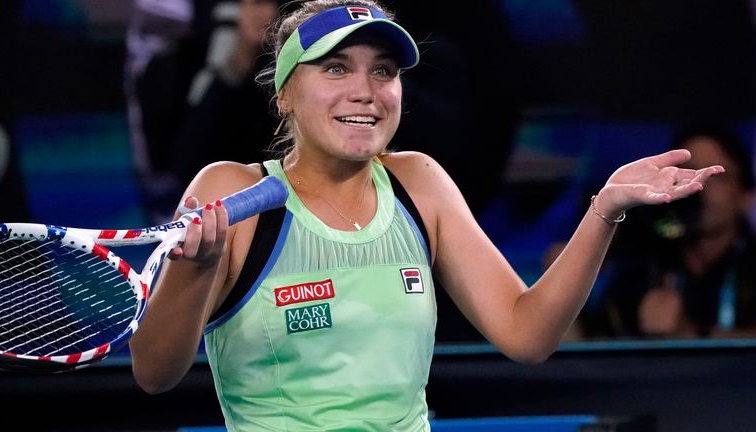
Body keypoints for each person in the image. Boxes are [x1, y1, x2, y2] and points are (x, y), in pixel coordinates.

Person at [128, 1, 724, 429]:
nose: (366, 90)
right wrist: (195, 269)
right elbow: (154, 373)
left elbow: (528, 333)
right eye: (336, 68)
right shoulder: (230, 190)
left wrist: (605, 210)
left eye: (383, 71)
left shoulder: (420, 183)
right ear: (284, 93)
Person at [578, 124, 756, 339]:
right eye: (686, 173)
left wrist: (688, 333)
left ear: (747, 197)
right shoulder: (643, 265)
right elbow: (597, 343)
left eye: (715, 176)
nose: (697, 186)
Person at [125, 0, 282, 222]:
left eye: (260, 3)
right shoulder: (169, 68)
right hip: (193, 212)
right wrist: (228, 71)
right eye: (239, 5)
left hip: (273, 212)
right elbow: (175, 165)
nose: (251, 13)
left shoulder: (292, 68)